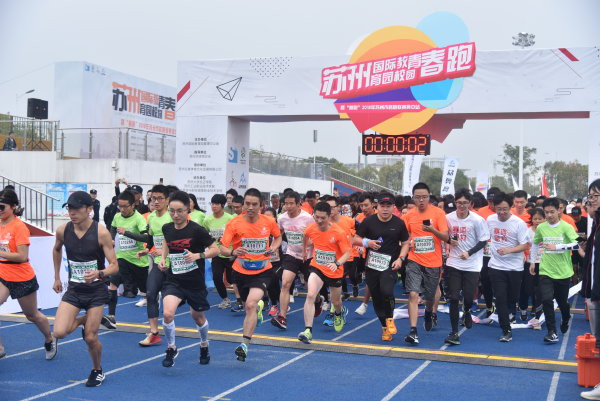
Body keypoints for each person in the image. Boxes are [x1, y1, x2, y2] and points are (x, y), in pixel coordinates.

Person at [51, 191, 118, 387]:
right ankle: (85, 319)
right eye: (69, 209)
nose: (72, 213)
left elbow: (115, 265)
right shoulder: (62, 230)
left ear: (89, 209)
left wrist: (100, 273)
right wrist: (57, 277)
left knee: (90, 337)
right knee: (59, 332)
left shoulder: (101, 232)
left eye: (76, 209)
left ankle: (97, 370)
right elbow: (56, 249)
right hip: (74, 290)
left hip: (96, 291)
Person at [156, 191, 219, 367]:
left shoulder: (197, 230)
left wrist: (198, 255)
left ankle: (204, 344)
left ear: (188, 210)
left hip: (194, 282)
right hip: (174, 280)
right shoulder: (167, 228)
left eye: (180, 211)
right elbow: (167, 242)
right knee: (167, 314)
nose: (175, 215)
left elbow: (216, 250)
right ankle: (171, 347)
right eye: (172, 211)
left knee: (198, 317)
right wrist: (163, 258)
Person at [220, 188, 282, 361]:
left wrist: (273, 247)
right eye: (247, 203)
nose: (250, 207)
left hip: (263, 271)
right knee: (250, 306)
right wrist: (233, 252)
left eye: (254, 204)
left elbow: (278, 237)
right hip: (240, 272)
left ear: (261, 206)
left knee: (250, 304)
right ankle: (258, 308)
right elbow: (222, 247)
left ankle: (244, 344)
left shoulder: (269, 221)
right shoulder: (234, 223)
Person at [0, 189, 57, 360]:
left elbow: (22, 256)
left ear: (13, 206)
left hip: (22, 277)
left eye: (2, 207)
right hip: (3, 274)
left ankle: (49, 338)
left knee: (32, 315)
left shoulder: (19, 227)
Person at [354, 192, 410, 341]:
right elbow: (355, 239)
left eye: (388, 206)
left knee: (387, 291)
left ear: (393, 207)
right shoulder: (368, 221)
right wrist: (367, 243)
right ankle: (384, 328)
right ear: (377, 206)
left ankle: (390, 319)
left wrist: (401, 259)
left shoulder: (399, 223)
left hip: (390, 265)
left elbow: (406, 243)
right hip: (372, 266)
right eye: (382, 206)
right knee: (377, 298)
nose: (385, 209)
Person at [402, 182, 449, 345]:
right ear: (413, 198)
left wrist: (432, 230)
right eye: (417, 197)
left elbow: (446, 237)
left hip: (433, 261)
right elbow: (404, 237)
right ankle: (413, 330)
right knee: (413, 294)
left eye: (424, 197)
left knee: (430, 296)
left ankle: (429, 312)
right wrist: (406, 244)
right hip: (414, 260)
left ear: (429, 197)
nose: (421, 200)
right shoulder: (408, 216)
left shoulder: (438, 213)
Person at [298, 201, 351, 344]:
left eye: (323, 218)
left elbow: (347, 253)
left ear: (329, 216)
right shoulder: (311, 228)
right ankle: (308, 331)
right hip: (317, 267)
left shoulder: (338, 232)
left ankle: (339, 313)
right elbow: (305, 237)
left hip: (334, 270)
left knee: (336, 301)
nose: (319, 221)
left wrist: (337, 263)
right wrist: (304, 251)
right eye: (317, 217)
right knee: (310, 295)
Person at [443, 189, 489, 345]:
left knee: (468, 297)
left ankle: (467, 310)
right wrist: (448, 242)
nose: (461, 206)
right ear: (455, 203)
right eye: (459, 203)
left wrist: (469, 253)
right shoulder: (448, 218)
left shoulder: (477, 220)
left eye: (465, 203)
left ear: (470, 204)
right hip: (454, 263)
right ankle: (454, 332)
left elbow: (483, 240)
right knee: (454, 298)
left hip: (472, 264)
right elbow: (443, 234)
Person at [129, 184, 172, 347]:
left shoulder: (172, 216)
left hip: (175, 265)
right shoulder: (152, 217)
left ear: (167, 200)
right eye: (154, 198)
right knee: (151, 292)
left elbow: (179, 241)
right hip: (159, 263)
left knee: (180, 303)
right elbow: (152, 239)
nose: (156, 201)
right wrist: (147, 250)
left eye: (160, 198)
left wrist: (164, 251)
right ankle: (154, 333)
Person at [530, 197, 579, 343]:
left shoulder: (566, 227)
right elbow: (535, 243)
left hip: (563, 272)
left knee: (562, 302)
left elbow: (576, 245)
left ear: (559, 210)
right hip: (546, 270)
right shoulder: (541, 227)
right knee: (546, 299)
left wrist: (557, 247)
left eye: (552, 212)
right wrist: (533, 262)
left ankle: (566, 317)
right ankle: (552, 332)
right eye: (546, 212)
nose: (549, 215)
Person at [487, 192, 530, 342]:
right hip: (496, 266)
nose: (502, 212)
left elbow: (525, 245)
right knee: (500, 298)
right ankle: (506, 330)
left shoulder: (518, 223)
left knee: (512, 297)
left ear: (510, 207)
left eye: (505, 209)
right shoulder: (490, 219)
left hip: (514, 268)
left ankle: (511, 311)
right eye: (499, 209)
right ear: (494, 207)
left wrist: (508, 250)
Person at [271, 191, 314, 330]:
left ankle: (319, 301)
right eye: (286, 203)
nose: (288, 206)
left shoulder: (308, 218)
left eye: (291, 203)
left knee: (310, 288)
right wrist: (273, 247)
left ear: (298, 203)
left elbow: (316, 235)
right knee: (285, 284)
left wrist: (309, 244)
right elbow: (278, 235)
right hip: (292, 254)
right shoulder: (282, 218)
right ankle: (282, 317)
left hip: (308, 256)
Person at [107, 190, 150, 323]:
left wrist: (126, 233)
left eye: (125, 206)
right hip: (122, 258)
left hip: (138, 260)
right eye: (120, 206)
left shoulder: (139, 218)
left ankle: (151, 299)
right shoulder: (117, 216)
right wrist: (112, 238)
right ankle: (111, 316)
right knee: (113, 284)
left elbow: (146, 237)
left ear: (133, 205)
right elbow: (113, 228)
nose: (122, 209)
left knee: (145, 290)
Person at [580, 179, 600, 400]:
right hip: (595, 290)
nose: (590, 201)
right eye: (590, 196)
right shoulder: (596, 223)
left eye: (595, 196)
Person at [202, 194, 236, 310]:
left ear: (222, 205)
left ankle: (241, 299)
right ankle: (225, 299)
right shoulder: (207, 220)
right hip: (216, 253)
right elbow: (205, 234)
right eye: (212, 203)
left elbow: (236, 234)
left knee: (232, 279)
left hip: (230, 253)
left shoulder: (230, 218)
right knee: (216, 277)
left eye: (216, 204)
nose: (213, 206)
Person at [519, 208, 545, 326]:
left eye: (540, 219)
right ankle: (523, 308)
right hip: (529, 263)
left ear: (544, 219)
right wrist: (524, 255)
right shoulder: (527, 231)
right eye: (535, 219)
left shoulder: (547, 231)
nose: (537, 221)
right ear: (531, 220)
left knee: (539, 289)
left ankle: (536, 310)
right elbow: (522, 244)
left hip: (544, 263)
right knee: (527, 288)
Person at [355, 192, 378, 315]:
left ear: (373, 204)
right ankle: (364, 304)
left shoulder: (381, 215)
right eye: (361, 206)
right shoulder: (359, 218)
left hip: (385, 252)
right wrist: (362, 244)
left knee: (383, 282)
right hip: (369, 253)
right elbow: (356, 237)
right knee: (370, 279)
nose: (363, 208)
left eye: (366, 205)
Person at [571, 206, 588, 283]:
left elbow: (590, 235)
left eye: (577, 216)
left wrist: (586, 240)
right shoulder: (570, 222)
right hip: (573, 246)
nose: (575, 218)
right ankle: (575, 283)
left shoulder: (586, 221)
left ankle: (583, 282)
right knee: (573, 267)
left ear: (580, 214)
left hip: (584, 246)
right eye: (573, 216)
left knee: (583, 267)